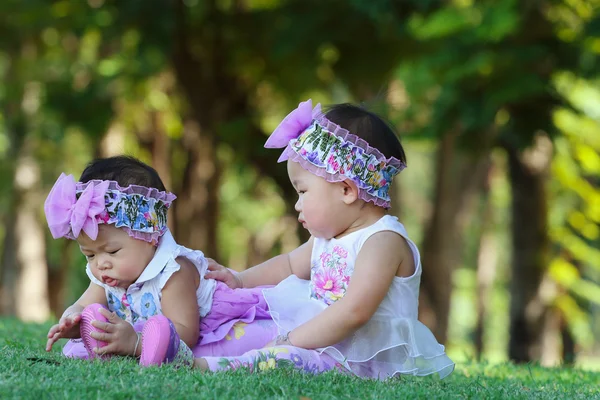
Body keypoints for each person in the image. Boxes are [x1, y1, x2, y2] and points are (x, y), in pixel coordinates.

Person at [199, 100, 455, 379]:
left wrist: (291, 339)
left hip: (359, 363)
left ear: (346, 190)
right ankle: (192, 349)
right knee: (248, 328)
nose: (297, 204)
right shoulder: (326, 238)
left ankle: (213, 367)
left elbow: (354, 312)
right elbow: (287, 265)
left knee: (286, 357)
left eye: (303, 192)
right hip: (317, 342)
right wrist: (239, 280)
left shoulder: (383, 242)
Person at [44, 156, 274, 366]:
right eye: (90, 255)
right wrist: (73, 318)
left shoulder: (173, 270)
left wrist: (136, 341)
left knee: (229, 345)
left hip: (207, 329)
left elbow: (186, 332)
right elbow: (83, 304)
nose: (101, 264)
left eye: (112, 251)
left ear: (150, 238)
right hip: (139, 333)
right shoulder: (106, 276)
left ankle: (139, 349)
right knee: (79, 346)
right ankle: (111, 347)